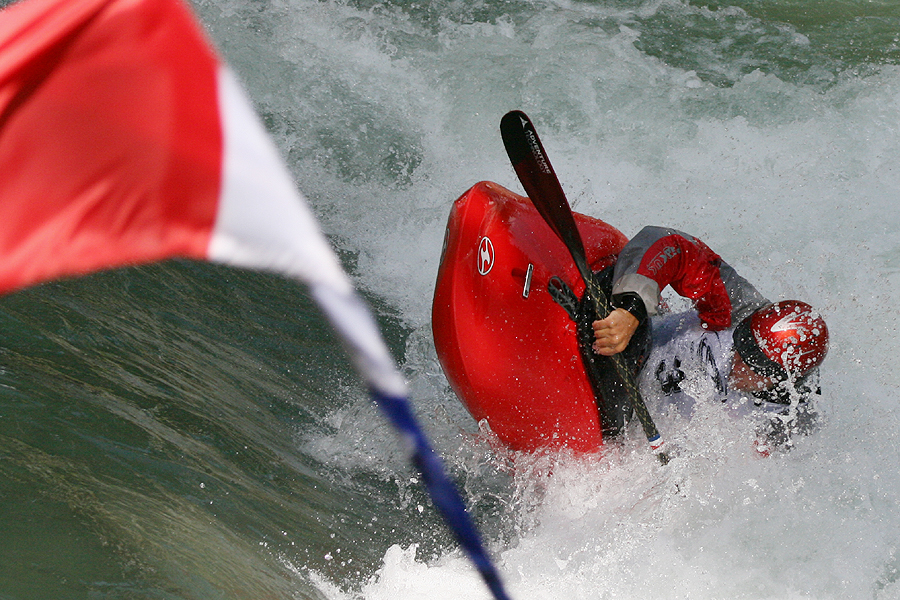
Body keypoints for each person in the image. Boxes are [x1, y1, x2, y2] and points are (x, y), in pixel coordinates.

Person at [589, 226, 829, 453]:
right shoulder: (740, 308)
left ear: (782, 379)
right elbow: (672, 245)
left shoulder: (785, 423)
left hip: (629, 428)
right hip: (637, 345)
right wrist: (631, 307)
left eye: (755, 362)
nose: (739, 361)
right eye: (744, 342)